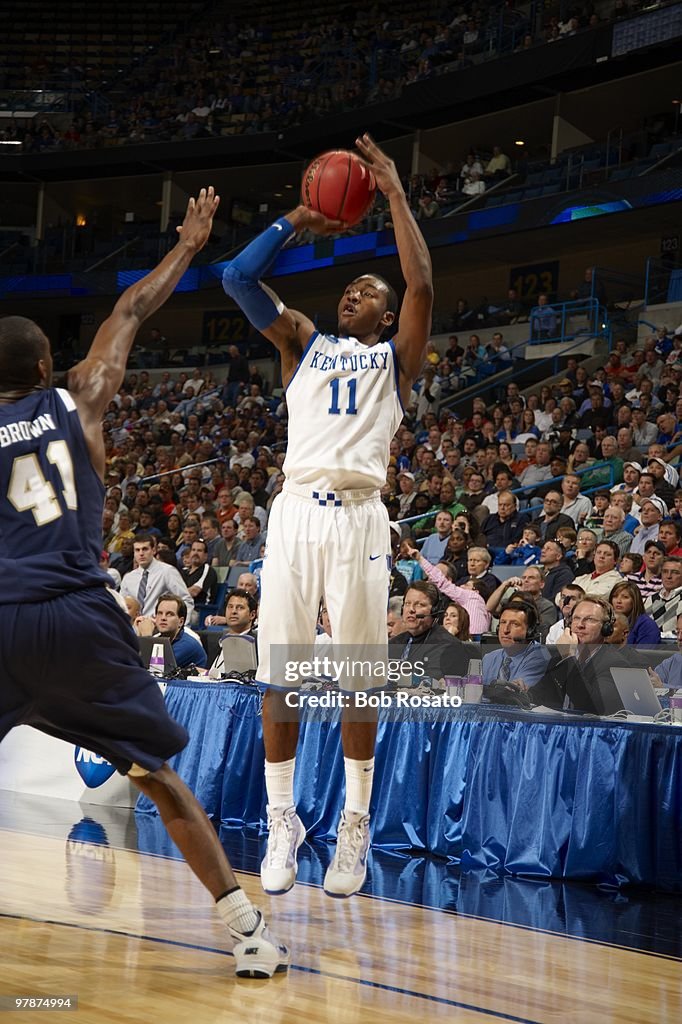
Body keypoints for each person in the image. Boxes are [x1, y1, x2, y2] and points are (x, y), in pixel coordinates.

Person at [0, 188, 288, 978]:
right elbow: (129, 308)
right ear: (45, 367)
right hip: (77, 615)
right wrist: (190, 246)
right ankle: (247, 934)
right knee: (158, 778)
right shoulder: (78, 397)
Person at [221, 134, 434, 899]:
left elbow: (421, 285)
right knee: (281, 675)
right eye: (350, 288)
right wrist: (297, 220)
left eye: (369, 292)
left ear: (384, 315)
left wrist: (397, 196)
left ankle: (355, 825)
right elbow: (236, 276)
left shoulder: (394, 361)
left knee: (354, 680)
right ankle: (283, 821)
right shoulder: (302, 342)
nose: (356, 294)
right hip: (294, 514)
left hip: (357, 517)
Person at [120, 533, 195, 619]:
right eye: (137, 550)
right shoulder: (128, 578)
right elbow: (121, 606)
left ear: (154, 550)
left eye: (145, 549)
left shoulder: (167, 571)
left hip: (159, 627)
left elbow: (186, 600)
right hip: (133, 628)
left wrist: (181, 628)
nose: (141, 553)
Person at [135, 593, 207, 668]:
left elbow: (156, 668)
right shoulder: (159, 638)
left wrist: (146, 636)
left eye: (169, 614)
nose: (163, 618)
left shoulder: (188, 644)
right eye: (160, 613)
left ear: (181, 622)